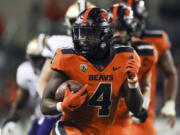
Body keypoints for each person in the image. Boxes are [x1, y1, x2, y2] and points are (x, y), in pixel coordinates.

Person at [41, 7, 143, 135]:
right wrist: (61, 106)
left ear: (105, 35)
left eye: (89, 34)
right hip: (70, 129)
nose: (83, 39)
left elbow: (136, 108)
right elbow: (45, 104)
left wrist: (133, 81)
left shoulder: (126, 57)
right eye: (80, 33)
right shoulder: (66, 58)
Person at [124, 0, 178, 135]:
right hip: (113, 113)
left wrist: (170, 102)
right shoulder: (109, 44)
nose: (132, 24)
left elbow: (170, 72)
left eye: (135, 19)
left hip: (143, 113)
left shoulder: (155, 40)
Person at [108, 3, 158, 135]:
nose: (116, 35)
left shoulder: (145, 51)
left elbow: (146, 85)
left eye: (120, 29)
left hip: (123, 118)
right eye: (112, 30)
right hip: (97, 117)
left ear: (130, 30)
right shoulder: (99, 53)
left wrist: (143, 107)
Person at [37, 1, 96, 97]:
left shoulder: (107, 46)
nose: (81, 28)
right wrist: (56, 106)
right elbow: (43, 81)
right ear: (69, 23)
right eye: (77, 23)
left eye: (87, 23)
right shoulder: (59, 44)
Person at [2, 34, 47, 135]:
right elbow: (21, 100)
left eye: (40, 58)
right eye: (34, 58)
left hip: (57, 116)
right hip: (39, 116)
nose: (38, 63)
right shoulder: (26, 72)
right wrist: (12, 118)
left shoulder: (58, 71)